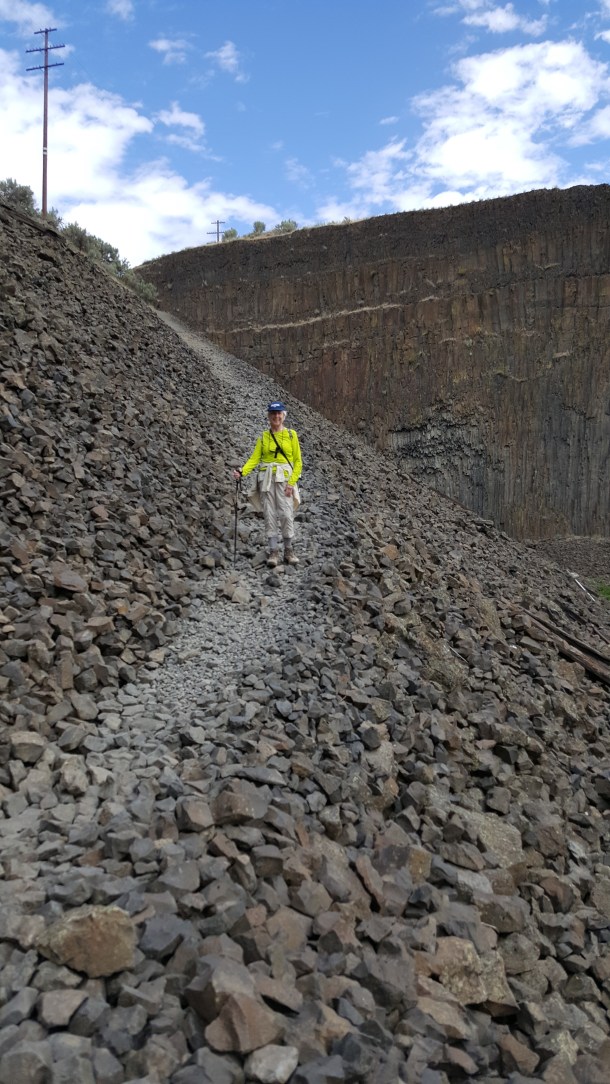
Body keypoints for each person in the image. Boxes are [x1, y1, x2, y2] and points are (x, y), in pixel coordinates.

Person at [233, 401, 302, 567]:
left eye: (278, 413)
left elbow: (298, 462)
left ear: (283, 415)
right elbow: (255, 459)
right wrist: (242, 471)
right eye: (273, 414)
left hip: (285, 480)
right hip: (266, 480)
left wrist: (292, 483)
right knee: (269, 514)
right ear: (269, 417)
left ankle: (288, 549)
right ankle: (273, 552)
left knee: (286, 513)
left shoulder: (292, 435)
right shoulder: (263, 437)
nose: (276, 416)